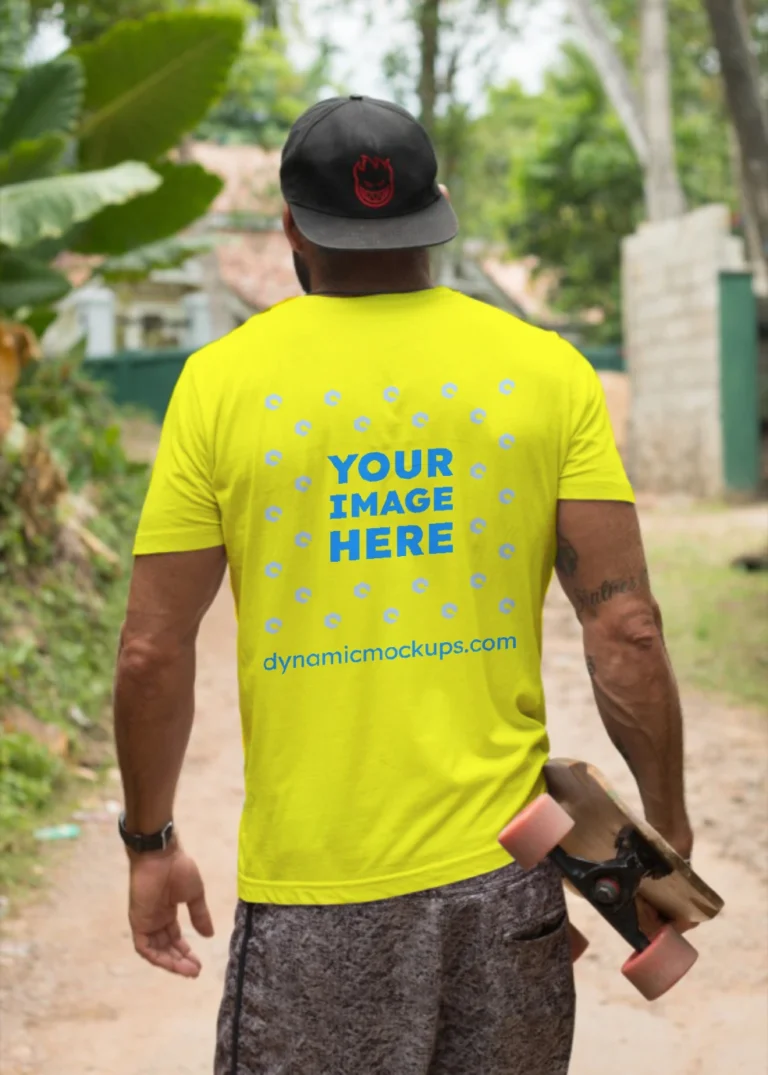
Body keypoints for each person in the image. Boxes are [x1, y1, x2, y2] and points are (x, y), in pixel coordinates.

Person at [114, 95, 693, 1075]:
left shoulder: (220, 383)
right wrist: (665, 830)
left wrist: (150, 838)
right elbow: (626, 629)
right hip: (509, 880)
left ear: (292, 226)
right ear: (442, 209)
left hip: (314, 892)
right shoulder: (547, 372)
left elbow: (152, 648)